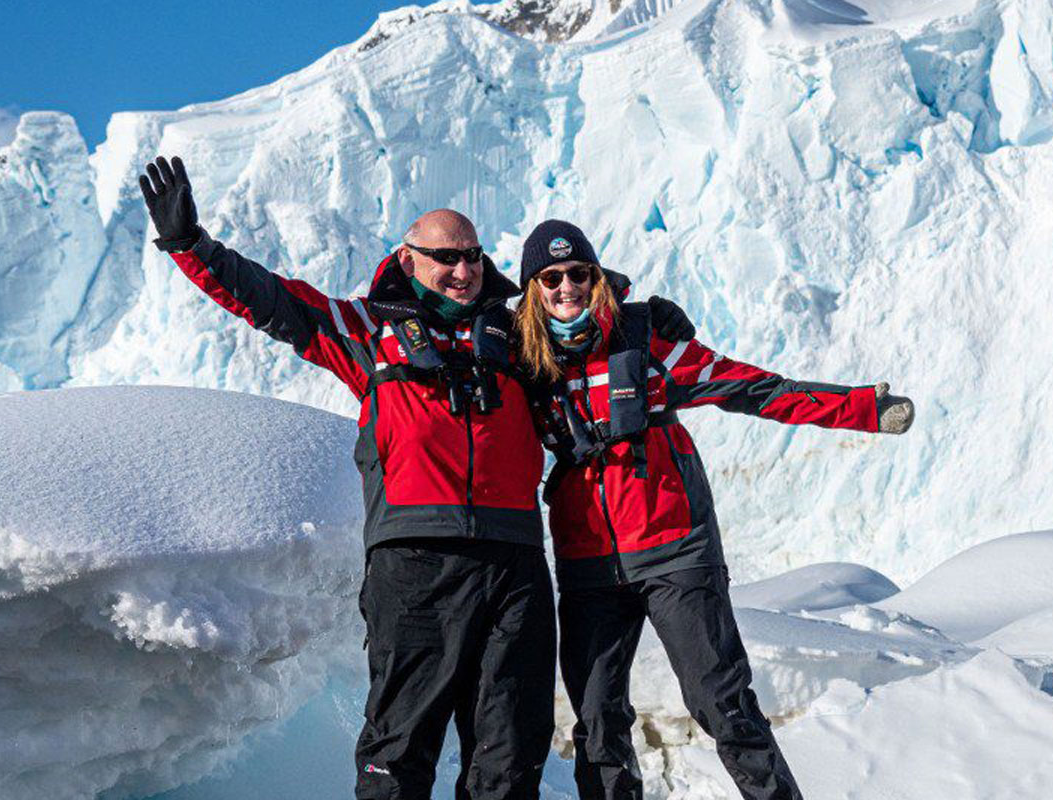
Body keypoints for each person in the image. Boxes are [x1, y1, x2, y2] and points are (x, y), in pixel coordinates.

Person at [138, 158, 695, 800]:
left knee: (512, 747)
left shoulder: (519, 339)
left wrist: (643, 318)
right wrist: (190, 246)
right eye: (447, 258)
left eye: (475, 258)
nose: (465, 271)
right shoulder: (369, 332)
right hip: (415, 563)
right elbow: (272, 301)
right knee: (400, 748)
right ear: (408, 261)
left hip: (515, 565)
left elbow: (582, 321)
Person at [514, 219, 914, 800]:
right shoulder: (523, 359)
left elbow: (752, 388)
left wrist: (859, 409)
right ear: (533, 288)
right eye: (551, 277)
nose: (566, 286)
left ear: (597, 278)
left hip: (675, 551)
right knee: (597, 721)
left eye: (579, 272)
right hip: (588, 566)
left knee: (721, 703)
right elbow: (446, 309)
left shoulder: (645, 342)